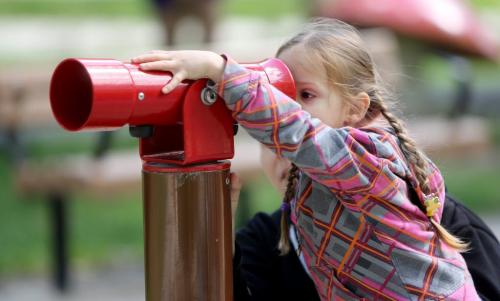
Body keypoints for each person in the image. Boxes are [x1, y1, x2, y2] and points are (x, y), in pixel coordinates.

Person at [132, 18, 480, 300]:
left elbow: (298, 132)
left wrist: (221, 72)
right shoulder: (303, 197)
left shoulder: (368, 157)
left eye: (307, 95)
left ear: (354, 109)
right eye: (282, 95)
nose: (292, 107)